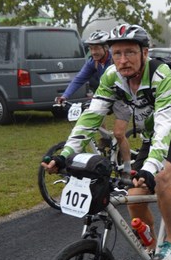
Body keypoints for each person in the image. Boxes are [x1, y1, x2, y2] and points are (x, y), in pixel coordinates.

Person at [42, 24, 171, 260]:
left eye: (130, 52)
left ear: (145, 53)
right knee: (133, 197)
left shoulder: (161, 75)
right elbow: (91, 117)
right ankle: (151, 249)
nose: (123, 60)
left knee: (161, 177)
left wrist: (150, 167)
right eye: (117, 54)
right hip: (154, 136)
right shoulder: (111, 76)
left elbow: (164, 125)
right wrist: (65, 154)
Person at [53, 30, 133, 173]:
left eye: (96, 48)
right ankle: (106, 139)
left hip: (122, 99)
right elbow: (79, 79)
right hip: (105, 97)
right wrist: (65, 96)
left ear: (105, 48)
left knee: (119, 134)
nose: (93, 51)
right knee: (93, 115)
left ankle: (127, 168)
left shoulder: (116, 61)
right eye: (90, 48)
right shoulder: (93, 63)